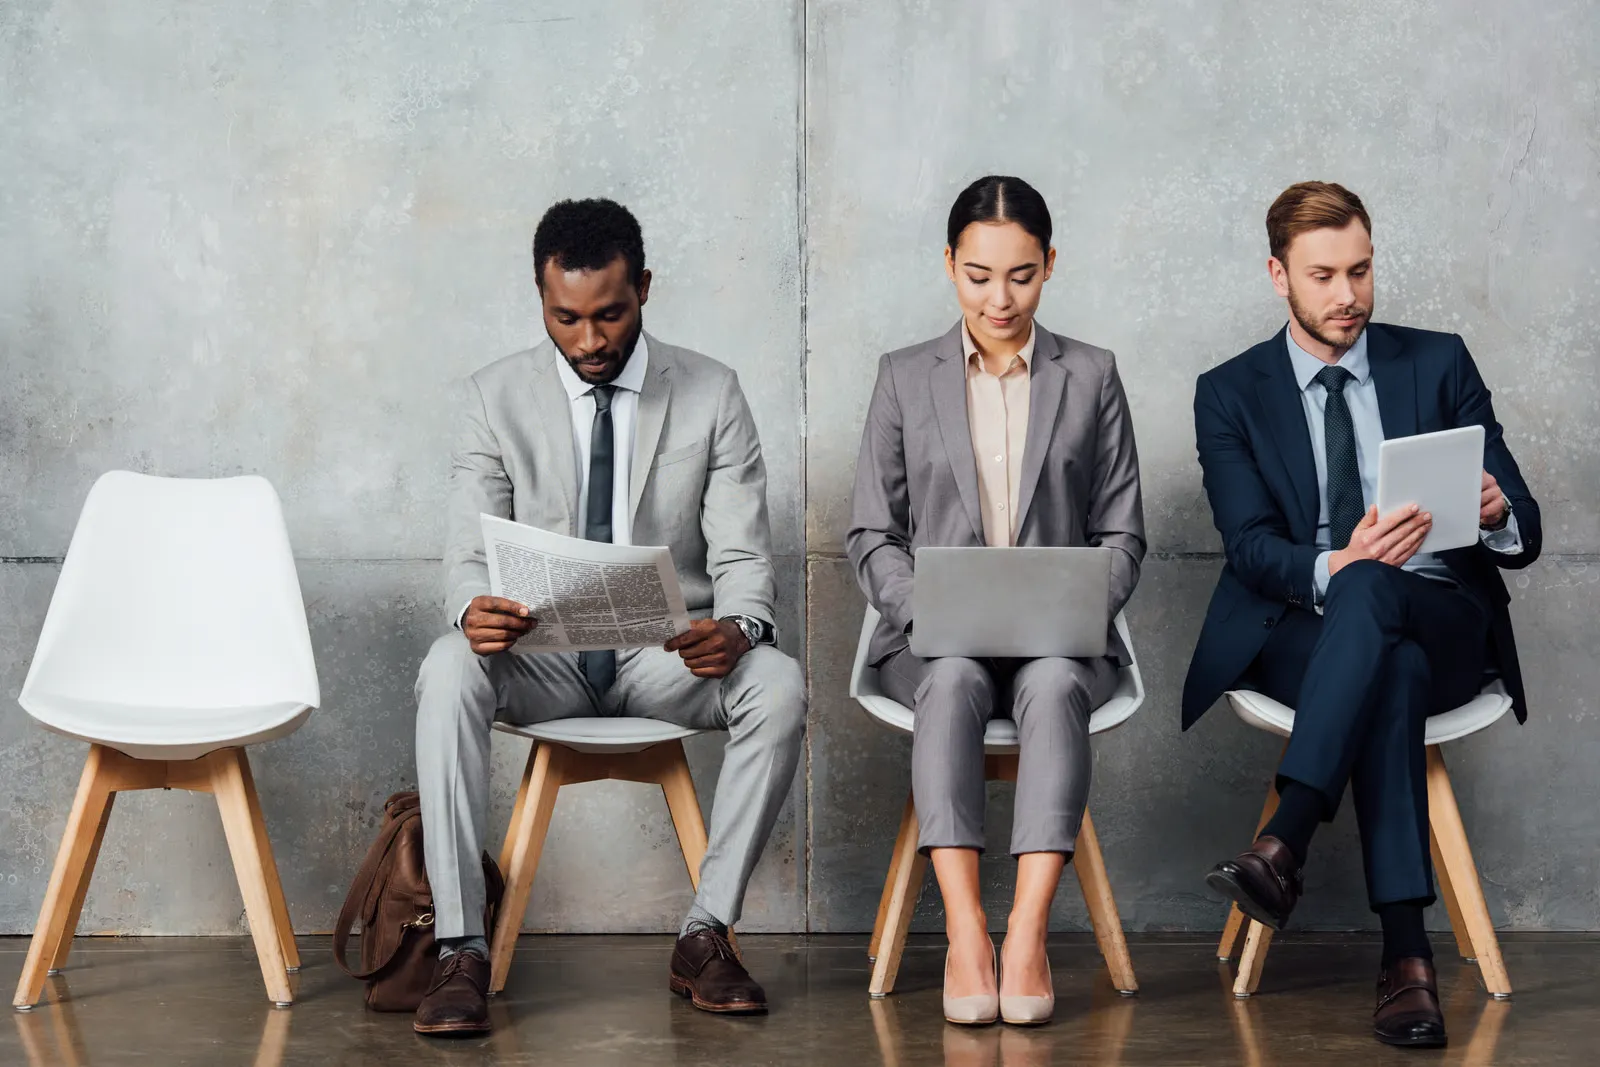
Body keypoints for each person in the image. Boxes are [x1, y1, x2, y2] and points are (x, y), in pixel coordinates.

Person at [411, 198, 806, 1036]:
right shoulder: (492, 398)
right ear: (540, 297)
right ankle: (458, 949)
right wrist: (471, 610)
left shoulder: (711, 392)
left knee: (777, 683)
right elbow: (465, 555)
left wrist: (740, 627)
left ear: (645, 290)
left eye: (610, 315)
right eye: (566, 318)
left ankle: (705, 934)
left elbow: (742, 557)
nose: (589, 341)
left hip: (666, 658)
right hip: (541, 659)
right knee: (447, 664)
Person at [1184, 181, 1540, 1049]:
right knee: (1385, 645)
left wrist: (1495, 512)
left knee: (1389, 605)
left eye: (1362, 270)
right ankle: (1408, 959)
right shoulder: (1230, 391)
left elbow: (1525, 525)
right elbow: (1251, 547)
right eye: (1324, 276)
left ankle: (1283, 843)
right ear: (1279, 275)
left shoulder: (1438, 361)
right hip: (1307, 628)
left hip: (1445, 610)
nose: (1348, 295)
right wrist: (1336, 565)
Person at [847, 175, 1146, 1027]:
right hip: (935, 638)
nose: (999, 297)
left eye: (1020, 274)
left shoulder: (1091, 375)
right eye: (979, 275)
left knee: (1054, 683)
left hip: (1059, 636)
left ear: (1049, 265)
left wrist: (1083, 605)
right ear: (949, 266)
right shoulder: (905, 377)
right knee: (950, 681)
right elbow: (872, 531)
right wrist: (923, 610)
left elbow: (1122, 533)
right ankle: (968, 933)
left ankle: (1026, 933)